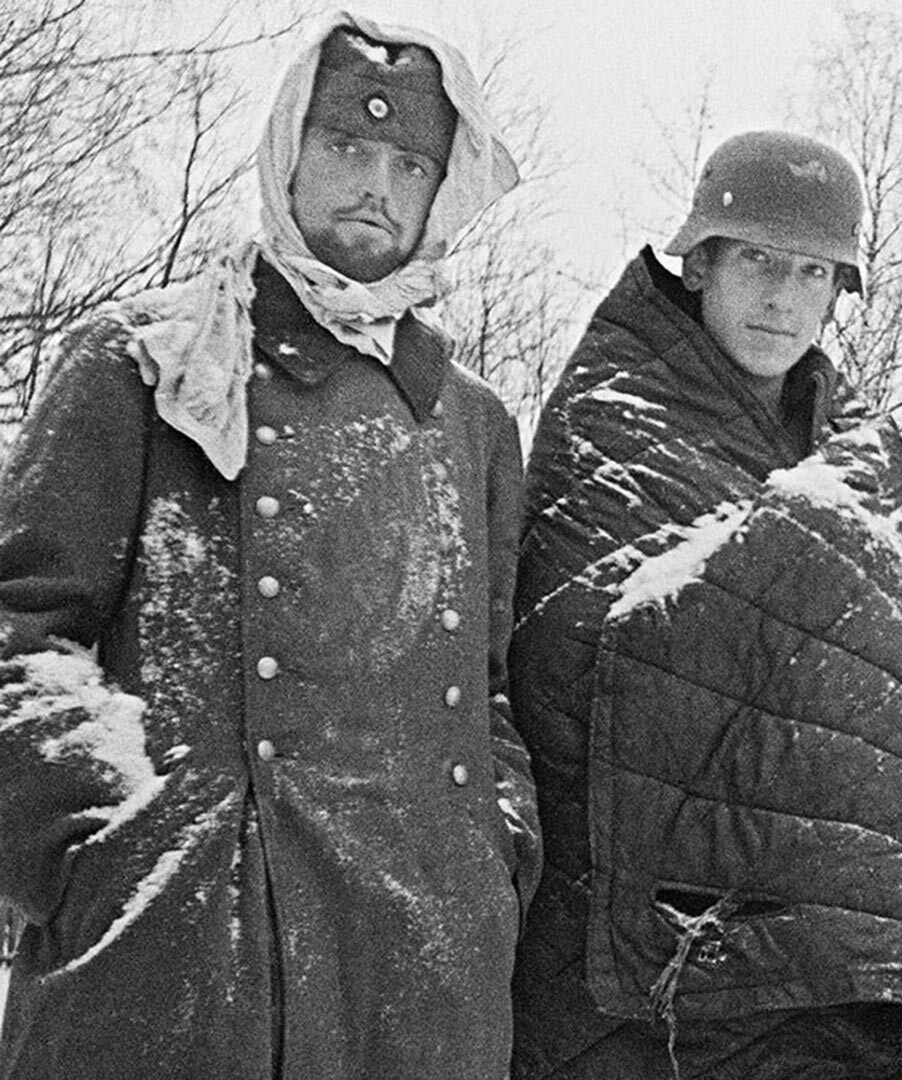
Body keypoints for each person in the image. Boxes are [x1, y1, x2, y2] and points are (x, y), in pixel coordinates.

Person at [0, 12, 537, 1078]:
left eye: (409, 162)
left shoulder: (473, 424)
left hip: (419, 973)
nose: (376, 183)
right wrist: (102, 856)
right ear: (291, 153)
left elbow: (487, 691)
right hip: (183, 965)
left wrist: (494, 858)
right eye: (346, 148)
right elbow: (22, 637)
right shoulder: (148, 363)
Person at [507, 131, 902, 1080]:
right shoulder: (610, 416)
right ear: (699, 265)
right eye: (758, 261)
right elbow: (573, 656)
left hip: (817, 918)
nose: (781, 296)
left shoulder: (849, 447)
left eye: (812, 272)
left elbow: (894, 683)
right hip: (657, 925)